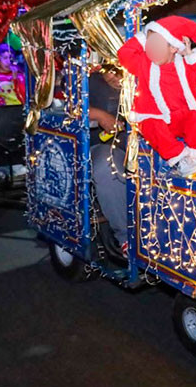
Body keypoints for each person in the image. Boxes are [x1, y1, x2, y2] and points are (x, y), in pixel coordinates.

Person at [117, 15, 196, 177]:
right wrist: (145, 36)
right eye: (149, 45)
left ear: (174, 48)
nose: (151, 50)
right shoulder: (144, 63)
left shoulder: (185, 64)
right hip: (155, 117)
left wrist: (192, 53)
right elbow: (124, 53)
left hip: (181, 116)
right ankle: (180, 159)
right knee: (153, 127)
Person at [88, 65, 128, 254]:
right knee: (108, 166)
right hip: (101, 145)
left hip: (138, 145)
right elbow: (70, 108)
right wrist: (99, 115)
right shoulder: (88, 81)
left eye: (121, 71)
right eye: (111, 71)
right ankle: (126, 237)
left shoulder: (144, 77)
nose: (116, 77)